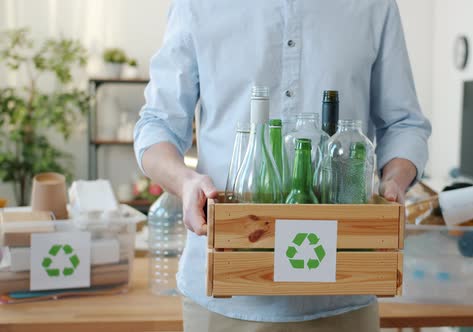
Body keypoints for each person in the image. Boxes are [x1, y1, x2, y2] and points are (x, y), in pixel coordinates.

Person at [134, 0, 431, 331]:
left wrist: (394, 180)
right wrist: (185, 181)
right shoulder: (196, 6)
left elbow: (404, 124)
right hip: (226, 291)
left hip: (342, 291)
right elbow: (157, 124)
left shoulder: (373, 7)